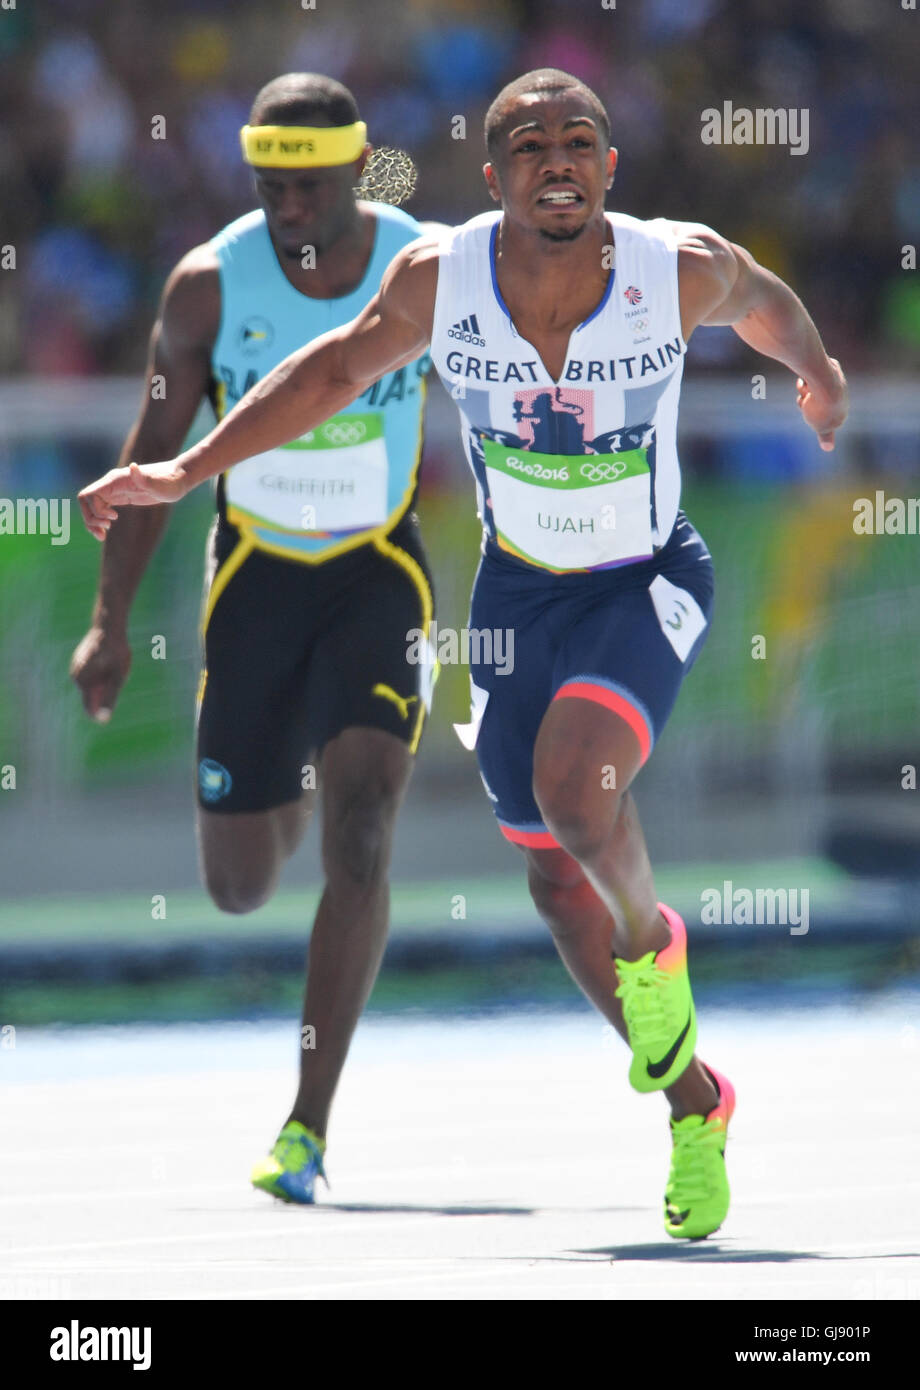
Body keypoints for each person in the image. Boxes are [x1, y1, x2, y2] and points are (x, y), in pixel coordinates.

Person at [78, 68, 848, 1239]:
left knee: (575, 797)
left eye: (577, 140)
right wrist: (188, 472)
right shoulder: (439, 283)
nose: (555, 159)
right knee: (548, 876)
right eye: (528, 145)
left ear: (607, 167)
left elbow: (767, 303)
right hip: (514, 598)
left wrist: (818, 369)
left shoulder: (674, 266)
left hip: (644, 581)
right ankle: (695, 1103)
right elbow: (330, 371)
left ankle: (658, 958)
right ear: (489, 180)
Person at [70, 72, 443, 1205]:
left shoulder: (424, 269)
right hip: (255, 580)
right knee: (236, 886)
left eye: (306, 181)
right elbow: (152, 458)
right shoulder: (204, 291)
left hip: (378, 571)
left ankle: (304, 1128)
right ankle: (282, 757)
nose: (285, 201)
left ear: (354, 169)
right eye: (267, 181)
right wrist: (106, 624)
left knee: (364, 829)